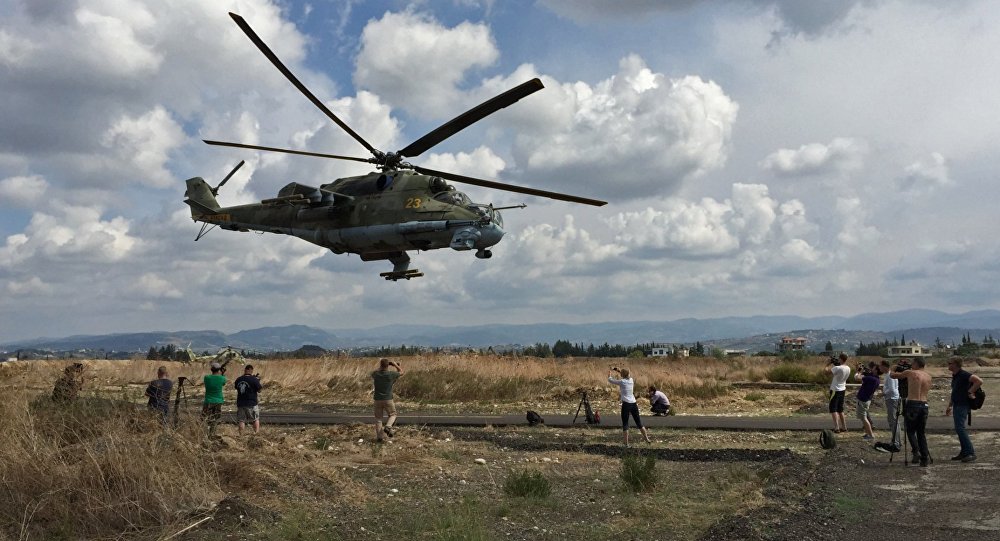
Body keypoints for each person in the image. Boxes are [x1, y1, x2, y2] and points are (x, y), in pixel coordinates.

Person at [890, 357, 932, 466]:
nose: (911, 365)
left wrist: (894, 367)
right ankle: (924, 458)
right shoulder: (928, 376)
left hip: (913, 404)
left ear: (917, 364)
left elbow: (893, 375)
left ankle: (916, 451)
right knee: (921, 433)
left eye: (913, 363)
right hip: (924, 404)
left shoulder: (910, 373)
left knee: (910, 431)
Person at [945, 358, 983, 463]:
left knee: (960, 429)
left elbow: (979, 381)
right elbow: (955, 391)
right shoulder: (956, 376)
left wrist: (970, 391)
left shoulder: (963, 374)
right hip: (957, 404)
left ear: (956, 364)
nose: (948, 365)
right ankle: (964, 452)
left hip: (962, 405)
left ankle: (970, 453)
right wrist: (950, 405)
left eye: (950, 363)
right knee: (958, 429)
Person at [608, 367, 652, 446]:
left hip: (626, 404)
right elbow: (625, 374)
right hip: (634, 403)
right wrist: (618, 370)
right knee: (639, 422)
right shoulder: (631, 380)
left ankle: (626, 443)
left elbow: (611, 380)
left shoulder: (622, 382)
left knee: (625, 423)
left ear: (622, 375)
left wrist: (609, 375)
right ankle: (646, 438)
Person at [371, 358, 402, 442]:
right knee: (393, 414)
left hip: (377, 399)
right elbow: (401, 372)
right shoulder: (391, 374)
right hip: (388, 399)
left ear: (381, 365)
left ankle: (379, 438)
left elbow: (373, 372)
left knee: (378, 419)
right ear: (388, 366)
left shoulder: (376, 374)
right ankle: (388, 427)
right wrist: (395, 364)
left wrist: (381, 366)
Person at [875, 359, 902, 452]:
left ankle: (896, 443)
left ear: (884, 366)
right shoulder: (889, 375)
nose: (879, 367)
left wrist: (882, 393)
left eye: (880, 366)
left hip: (892, 399)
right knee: (893, 421)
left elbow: (892, 390)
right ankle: (896, 441)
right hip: (892, 399)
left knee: (893, 421)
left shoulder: (890, 376)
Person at [825, 353, 851, 433]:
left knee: (833, 409)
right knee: (840, 409)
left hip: (835, 390)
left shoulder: (837, 368)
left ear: (840, 359)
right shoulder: (848, 368)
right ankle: (844, 427)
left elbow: (826, 372)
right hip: (842, 389)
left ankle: (836, 427)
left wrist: (827, 364)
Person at [234, 365, 263, 435]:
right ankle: (256, 434)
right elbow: (259, 390)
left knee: (241, 420)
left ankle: (241, 435)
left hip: (241, 403)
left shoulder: (238, 379)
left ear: (245, 370)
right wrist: (257, 381)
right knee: (255, 419)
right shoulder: (254, 379)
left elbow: (236, 387)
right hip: (251, 403)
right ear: (251, 370)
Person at [854, 362, 879, 442]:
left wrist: (859, 372)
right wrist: (859, 369)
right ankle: (868, 433)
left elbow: (857, 378)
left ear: (876, 370)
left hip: (863, 400)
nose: (872, 369)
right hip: (866, 400)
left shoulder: (871, 378)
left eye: (874, 368)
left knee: (864, 418)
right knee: (864, 417)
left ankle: (871, 435)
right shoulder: (876, 378)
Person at [202, 362, 226, 438]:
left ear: (211, 369)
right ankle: (212, 434)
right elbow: (223, 383)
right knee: (215, 419)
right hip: (218, 401)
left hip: (208, 401)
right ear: (219, 370)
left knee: (205, 418)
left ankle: (205, 433)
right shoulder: (222, 378)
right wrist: (222, 373)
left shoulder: (206, 377)